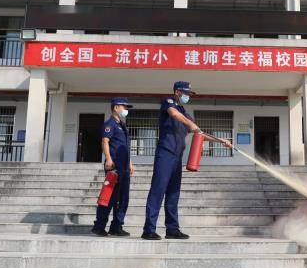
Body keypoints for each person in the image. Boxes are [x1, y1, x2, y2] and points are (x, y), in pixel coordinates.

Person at [142, 81, 231, 240]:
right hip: (165, 154)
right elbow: (175, 115)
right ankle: (149, 229)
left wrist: (221, 141)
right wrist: (192, 125)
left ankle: (172, 229)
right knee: (158, 191)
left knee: (173, 193)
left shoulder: (185, 113)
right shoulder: (168, 103)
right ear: (177, 92)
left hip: (177, 158)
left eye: (189, 94)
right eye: (185, 93)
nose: (188, 96)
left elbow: (199, 133)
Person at [92, 97, 134, 237]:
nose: (126, 110)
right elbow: (105, 141)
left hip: (124, 167)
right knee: (109, 197)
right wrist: (108, 159)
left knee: (123, 198)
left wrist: (130, 163)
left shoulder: (122, 125)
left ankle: (116, 226)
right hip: (114, 167)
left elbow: (125, 147)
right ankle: (99, 226)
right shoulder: (109, 124)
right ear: (116, 107)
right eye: (124, 107)